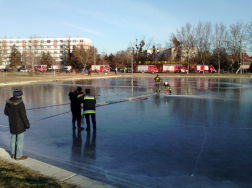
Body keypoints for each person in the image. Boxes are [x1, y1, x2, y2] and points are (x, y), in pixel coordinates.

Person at [4, 89, 30, 160]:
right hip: (20, 125)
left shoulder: (8, 102)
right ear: (20, 96)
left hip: (12, 123)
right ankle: (19, 156)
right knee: (20, 140)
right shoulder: (20, 104)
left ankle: (13, 153)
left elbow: (6, 113)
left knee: (13, 139)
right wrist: (27, 124)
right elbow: (23, 116)